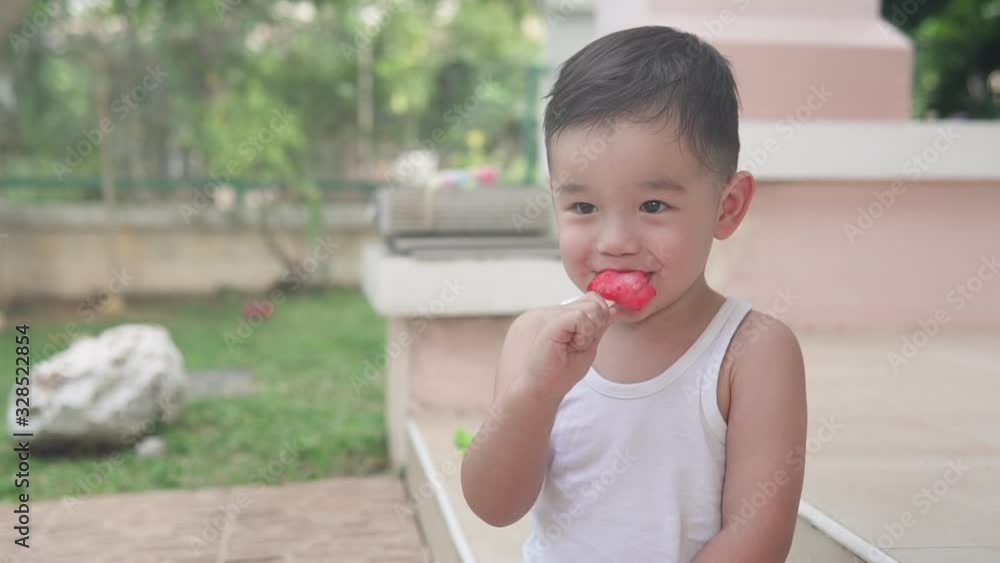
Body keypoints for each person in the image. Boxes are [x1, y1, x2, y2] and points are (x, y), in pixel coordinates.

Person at [460, 24, 809, 562]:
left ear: (727, 207)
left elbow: (757, 538)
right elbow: (494, 505)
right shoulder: (533, 340)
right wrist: (535, 395)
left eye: (653, 206)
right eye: (583, 207)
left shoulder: (752, 352)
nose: (615, 242)